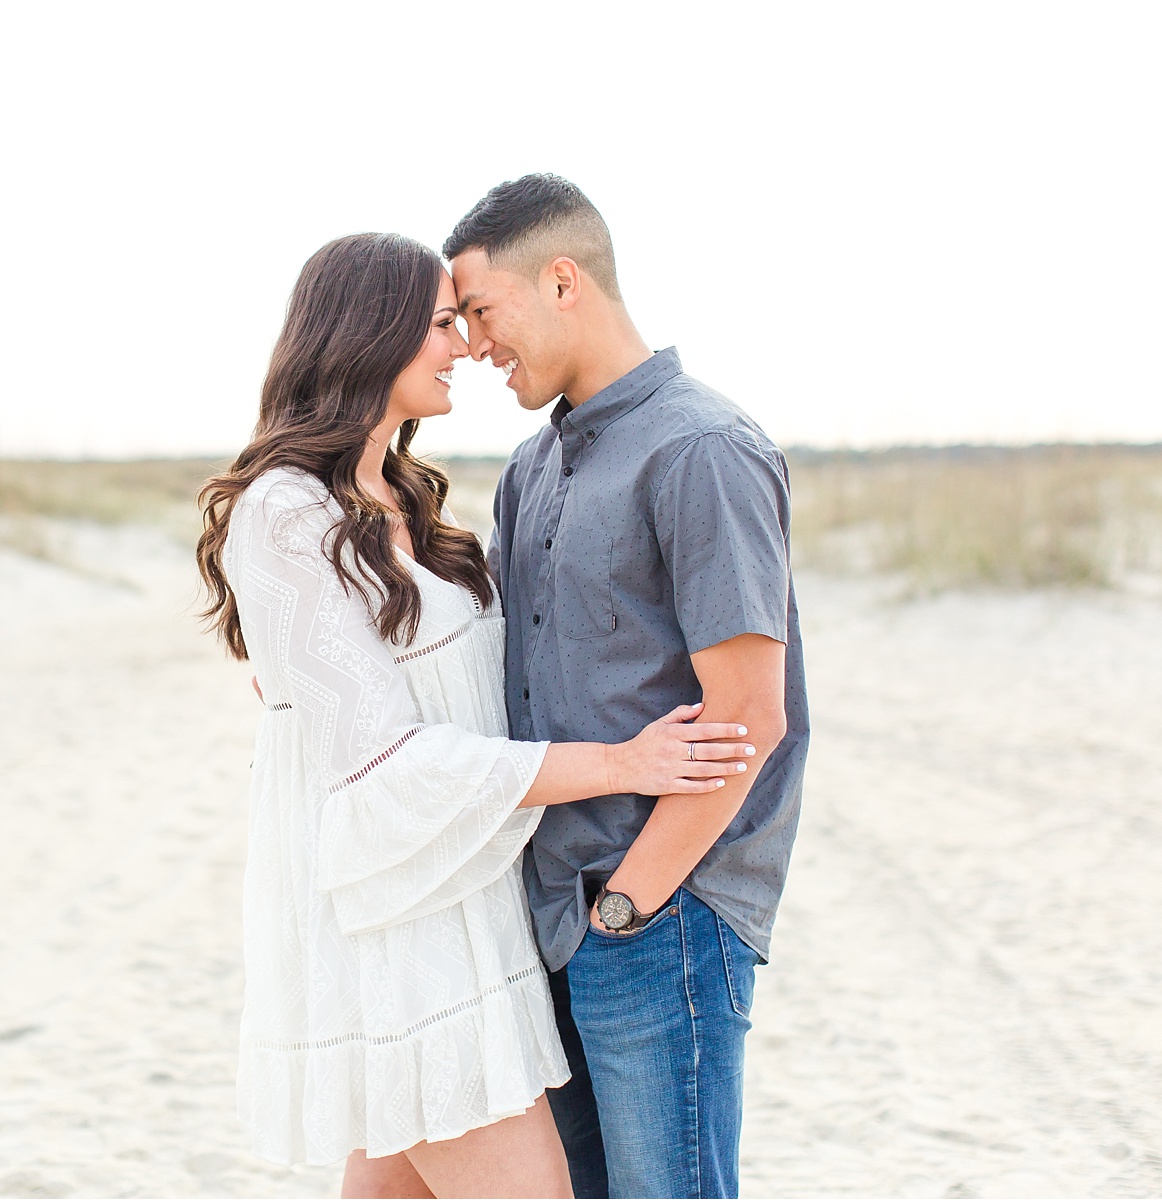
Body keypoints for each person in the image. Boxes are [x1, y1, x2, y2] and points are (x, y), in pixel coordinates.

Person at [195, 232, 758, 1198]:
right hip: (400, 927)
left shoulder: (402, 495)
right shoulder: (285, 512)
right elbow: (384, 766)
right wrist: (619, 763)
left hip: (466, 903)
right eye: (439, 324)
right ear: (368, 336)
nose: (459, 345)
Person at [443, 175, 810, 1199]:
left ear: (563, 280)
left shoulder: (702, 448)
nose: (472, 343)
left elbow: (752, 712)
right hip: (552, 919)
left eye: (481, 310)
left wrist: (631, 904)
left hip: (660, 918)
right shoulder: (532, 469)